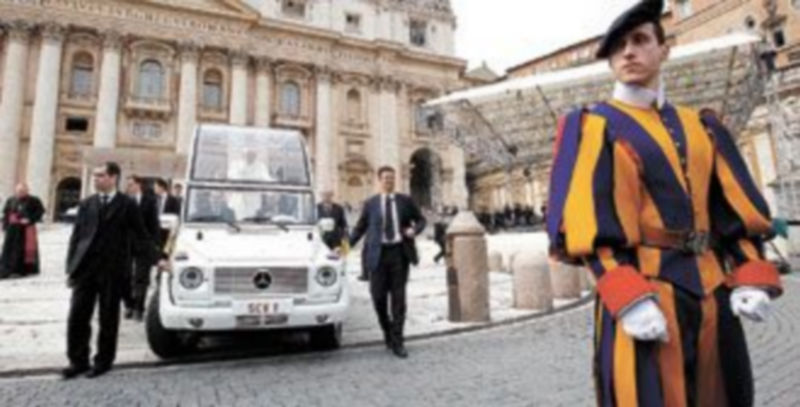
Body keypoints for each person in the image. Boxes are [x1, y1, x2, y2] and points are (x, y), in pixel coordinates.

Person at [546, 1, 783, 405]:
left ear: (664, 49)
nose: (628, 53)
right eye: (617, 46)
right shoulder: (594, 126)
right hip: (643, 292)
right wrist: (628, 297)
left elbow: (733, 210)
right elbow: (587, 223)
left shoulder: (702, 125)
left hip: (713, 290)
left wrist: (751, 273)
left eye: (640, 41)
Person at [63, 162, 161, 379]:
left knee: (108, 318)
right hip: (86, 270)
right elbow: (76, 238)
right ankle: (77, 361)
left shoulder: (127, 204)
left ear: (113, 178)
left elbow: (141, 235)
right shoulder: (87, 204)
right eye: (95, 175)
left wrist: (158, 259)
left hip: (113, 269)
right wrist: (71, 268)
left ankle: (103, 361)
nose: (95, 179)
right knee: (77, 316)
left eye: (101, 175)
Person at [349, 166, 426, 358]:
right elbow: (359, 229)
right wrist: (342, 248)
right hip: (378, 256)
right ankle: (387, 330)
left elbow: (421, 220)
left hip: (400, 254)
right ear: (379, 180)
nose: (389, 181)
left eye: (392, 178)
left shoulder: (405, 201)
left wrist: (413, 231)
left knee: (399, 300)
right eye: (385, 178)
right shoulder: (371, 203)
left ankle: (398, 341)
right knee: (378, 298)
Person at [124, 176, 160, 322]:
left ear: (138, 185)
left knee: (141, 278)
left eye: (131, 184)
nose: (129, 187)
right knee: (126, 277)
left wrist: (155, 245)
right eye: (128, 185)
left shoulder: (149, 201)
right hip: (126, 246)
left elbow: (154, 225)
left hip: (143, 246)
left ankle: (139, 308)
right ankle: (129, 305)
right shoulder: (124, 201)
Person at [0, 183, 45, 279]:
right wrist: (4, 226)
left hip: (26, 229)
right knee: (9, 249)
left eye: (22, 191)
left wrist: (30, 219)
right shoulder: (11, 200)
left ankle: (22, 270)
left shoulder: (34, 200)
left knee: (23, 250)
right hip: (12, 230)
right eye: (18, 191)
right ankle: (7, 268)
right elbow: (6, 213)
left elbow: (40, 212)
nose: (20, 193)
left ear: (27, 191)